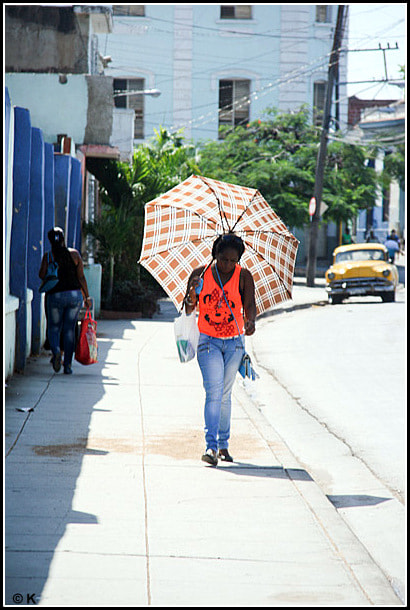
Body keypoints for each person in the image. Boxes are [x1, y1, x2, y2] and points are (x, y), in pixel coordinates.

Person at [184, 233, 256, 466]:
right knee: (213, 392)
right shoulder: (200, 274)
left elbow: (250, 308)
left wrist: (250, 322)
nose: (227, 265)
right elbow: (187, 309)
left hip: (235, 343)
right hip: (208, 341)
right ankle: (211, 446)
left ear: (238, 260)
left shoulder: (244, 276)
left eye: (232, 261)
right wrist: (192, 293)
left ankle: (223, 443)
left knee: (225, 394)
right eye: (223, 259)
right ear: (215, 254)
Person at [39, 227, 91, 374]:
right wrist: (86, 297)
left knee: (54, 327)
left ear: (50, 240)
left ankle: (56, 352)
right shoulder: (74, 255)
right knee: (69, 329)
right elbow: (81, 277)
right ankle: (67, 365)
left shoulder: (48, 256)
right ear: (63, 239)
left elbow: (41, 275)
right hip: (74, 296)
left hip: (55, 296)